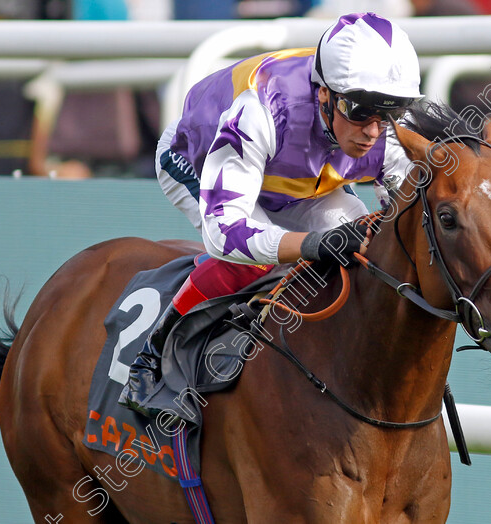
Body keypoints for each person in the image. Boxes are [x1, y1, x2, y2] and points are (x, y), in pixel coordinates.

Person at [118, 12, 422, 415]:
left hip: (295, 180)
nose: (373, 130)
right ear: (324, 95)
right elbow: (226, 234)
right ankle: (153, 357)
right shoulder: (260, 110)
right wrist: (311, 244)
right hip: (198, 159)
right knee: (258, 261)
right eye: (360, 111)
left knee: (361, 245)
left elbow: (405, 219)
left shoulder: (388, 133)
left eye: (389, 112)